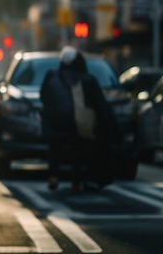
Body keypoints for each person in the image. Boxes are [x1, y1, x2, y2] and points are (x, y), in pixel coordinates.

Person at [40, 46, 116, 192]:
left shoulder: (51, 76)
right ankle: (76, 181)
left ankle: (53, 176)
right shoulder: (87, 79)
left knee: (54, 148)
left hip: (54, 123)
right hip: (79, 123)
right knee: (80, 147)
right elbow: (100, 105)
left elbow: (43, 96)